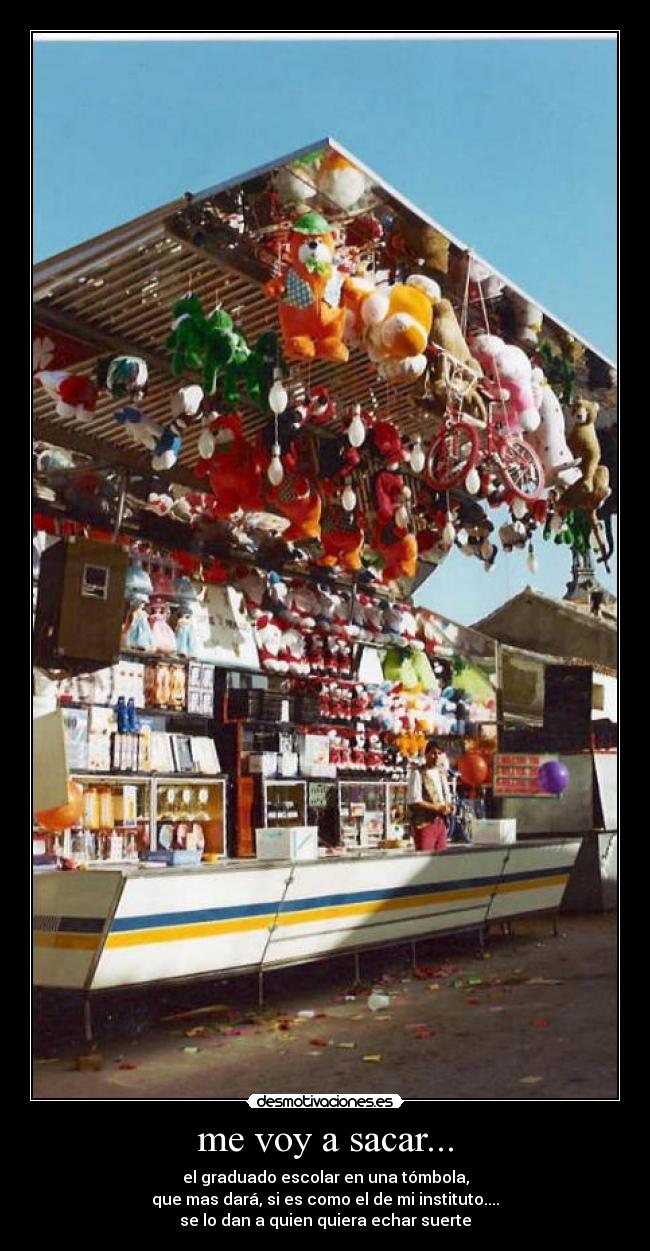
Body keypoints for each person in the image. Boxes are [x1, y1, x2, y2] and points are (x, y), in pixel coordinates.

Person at [408, 742, 453, 851]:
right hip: (424, 823)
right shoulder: (418, 773)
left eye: (439, 753)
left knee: (441, 860)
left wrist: (449, 807)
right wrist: (436, 808)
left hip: (441, 823)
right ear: (426, 755)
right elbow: (415, 800)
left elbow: (447, 797)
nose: (436, 756)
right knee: (425, 857)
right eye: (433, 753)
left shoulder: (442, 774)